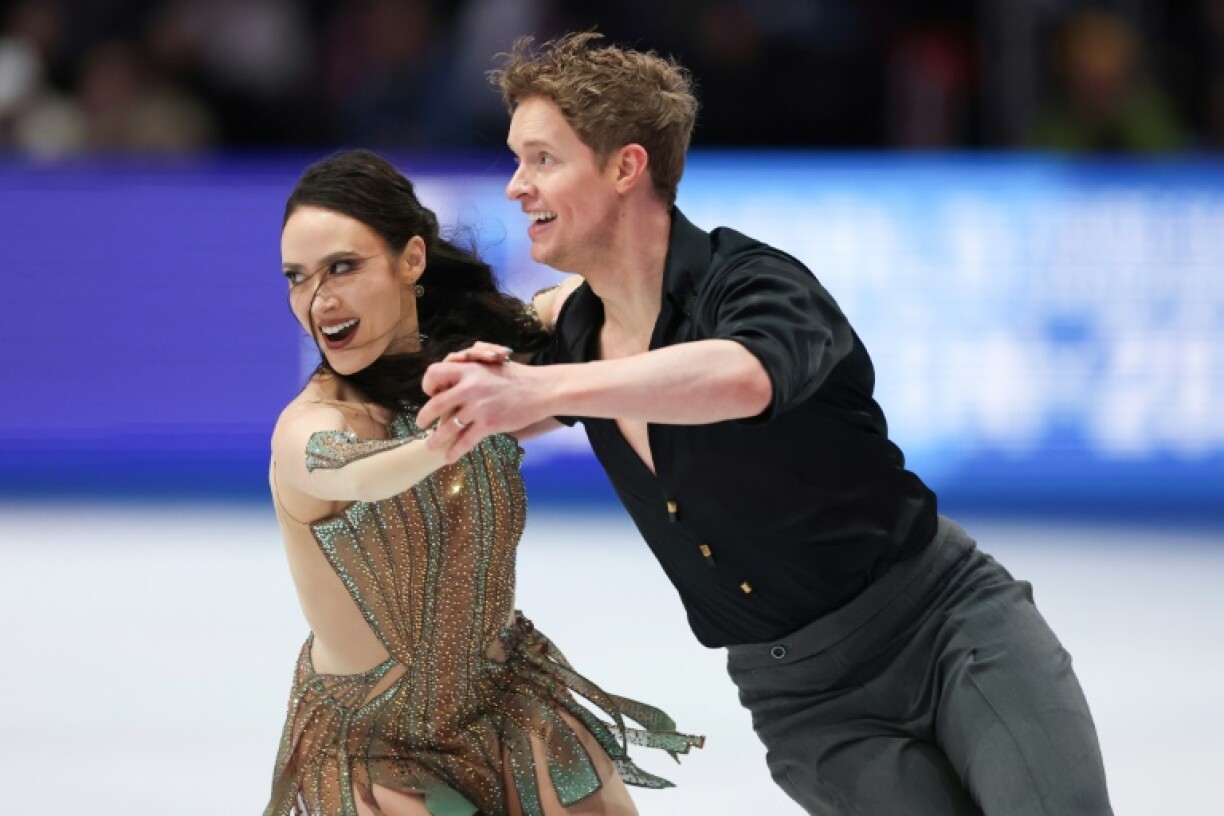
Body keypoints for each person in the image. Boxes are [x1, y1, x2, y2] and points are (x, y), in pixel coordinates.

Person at [417, 33, 1114, 816]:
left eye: (542, 159)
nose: (516, 186)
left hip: (946, 627)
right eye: (516, 160)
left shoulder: (753, 283)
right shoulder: (569, 334)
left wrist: (544, 389)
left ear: (624, 167)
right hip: (807, 704)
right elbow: (461, 392)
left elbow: (741, 376)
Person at [265, 148, 702, 816]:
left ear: (412, 260)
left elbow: (589, 317)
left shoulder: (472, 378)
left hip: (505, 694)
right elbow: (361, 472)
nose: (319, 301)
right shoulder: (316, 428)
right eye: (298, 278)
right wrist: (449, 434)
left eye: (343, 267)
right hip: (375, 741)